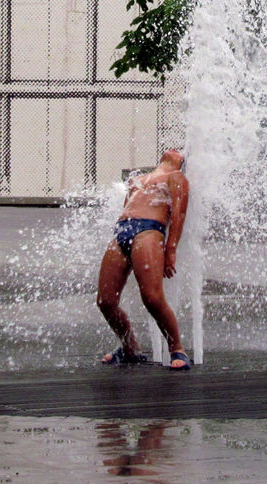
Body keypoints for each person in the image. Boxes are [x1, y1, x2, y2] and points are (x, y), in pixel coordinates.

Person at [97, 148, 191, 370]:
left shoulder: (176, 177)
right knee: (105, 301)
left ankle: (176, 348)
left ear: (181, 163)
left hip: (149, 232)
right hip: (123, 232)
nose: (176, 149)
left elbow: (179, 214)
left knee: (151, 297)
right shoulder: (137, 180)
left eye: (180, 151)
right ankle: (130, 348)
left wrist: (171, 250)